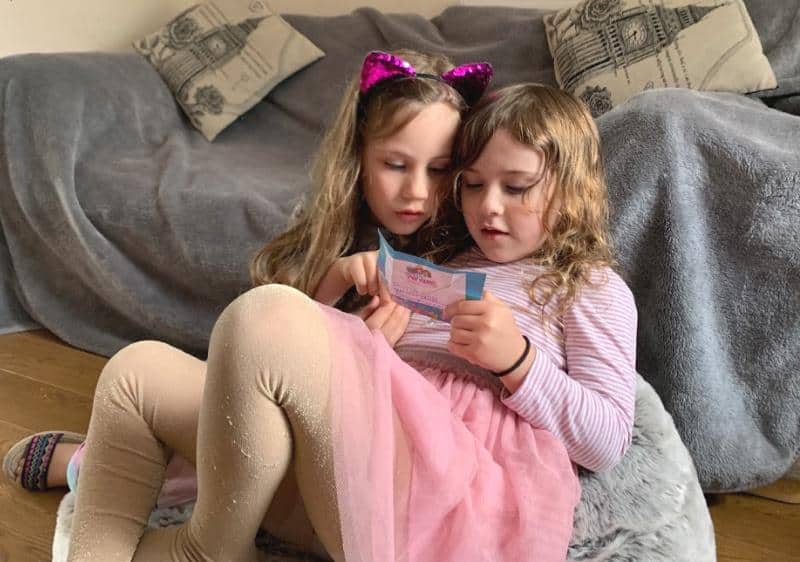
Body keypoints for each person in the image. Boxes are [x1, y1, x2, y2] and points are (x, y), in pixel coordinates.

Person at [60, 81, 637, 562]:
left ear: (573, 189)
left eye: (517, 188)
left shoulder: (589, 287)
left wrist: (519, 362)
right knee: (136, 372)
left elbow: (607, 439)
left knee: (268, 315)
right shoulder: (441, 260)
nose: (489, 206)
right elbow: (281, 375)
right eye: (474, 184)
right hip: (338, 485)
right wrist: (368, 343)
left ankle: (208, 551)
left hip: (444, 502)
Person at [1, 50, 493, 557]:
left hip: (345, 478)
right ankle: (103, 494)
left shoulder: (462, 261)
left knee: (188, 438)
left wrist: (372, 353)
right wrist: (334, 279)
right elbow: (263, 357)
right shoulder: (336, 237)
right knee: (135, 374)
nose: (416, 191)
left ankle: (113, 480)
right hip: (264, 445)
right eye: (395, 165)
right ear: (358, 158)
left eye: (438, 170)